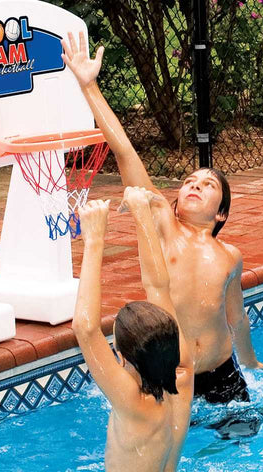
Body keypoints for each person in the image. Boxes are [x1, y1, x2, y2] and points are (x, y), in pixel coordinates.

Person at [62, 31, 263, 407]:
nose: (194, 184)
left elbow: (236, 316)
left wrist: (251, 362)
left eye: (208, 185)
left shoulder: (230, 256)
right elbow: (123, 150)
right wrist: (89, 86)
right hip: (174, 374)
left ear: (221, 212)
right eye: (190, 181)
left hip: (223, 372)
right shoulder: (163, 224)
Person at [72, 188, 193, 472]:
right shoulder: (183, 376)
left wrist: (95, 240)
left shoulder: (133, 403)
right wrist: (141, 213)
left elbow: (86, 328)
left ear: (124, 358)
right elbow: (157, 286)